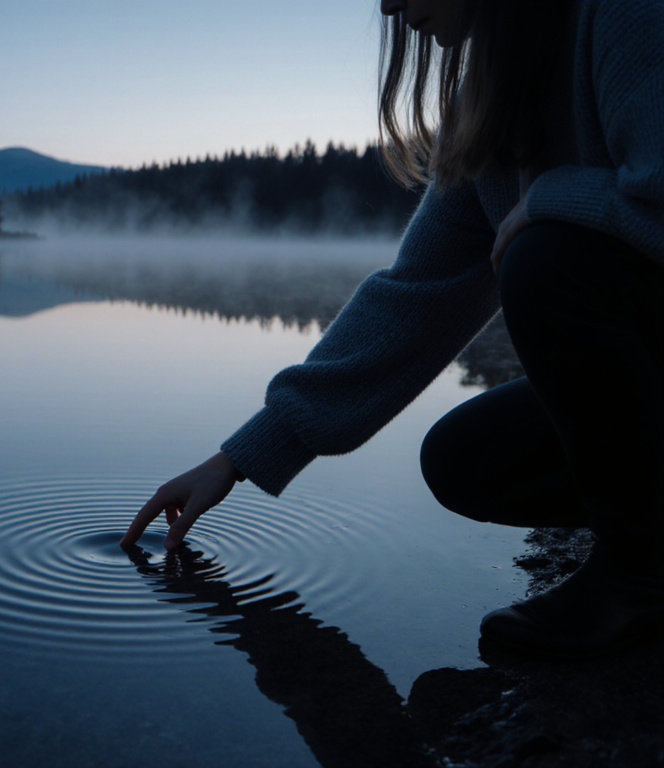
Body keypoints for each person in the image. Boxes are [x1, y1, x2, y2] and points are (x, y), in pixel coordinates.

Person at [122, 0, 664, 657]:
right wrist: (238, 458)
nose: (385, 4)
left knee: (548, 260)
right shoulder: (491, 101)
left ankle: (641, 576)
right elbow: (414, 297)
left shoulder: (624, 13)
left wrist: (549, 199)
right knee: (466, 462)